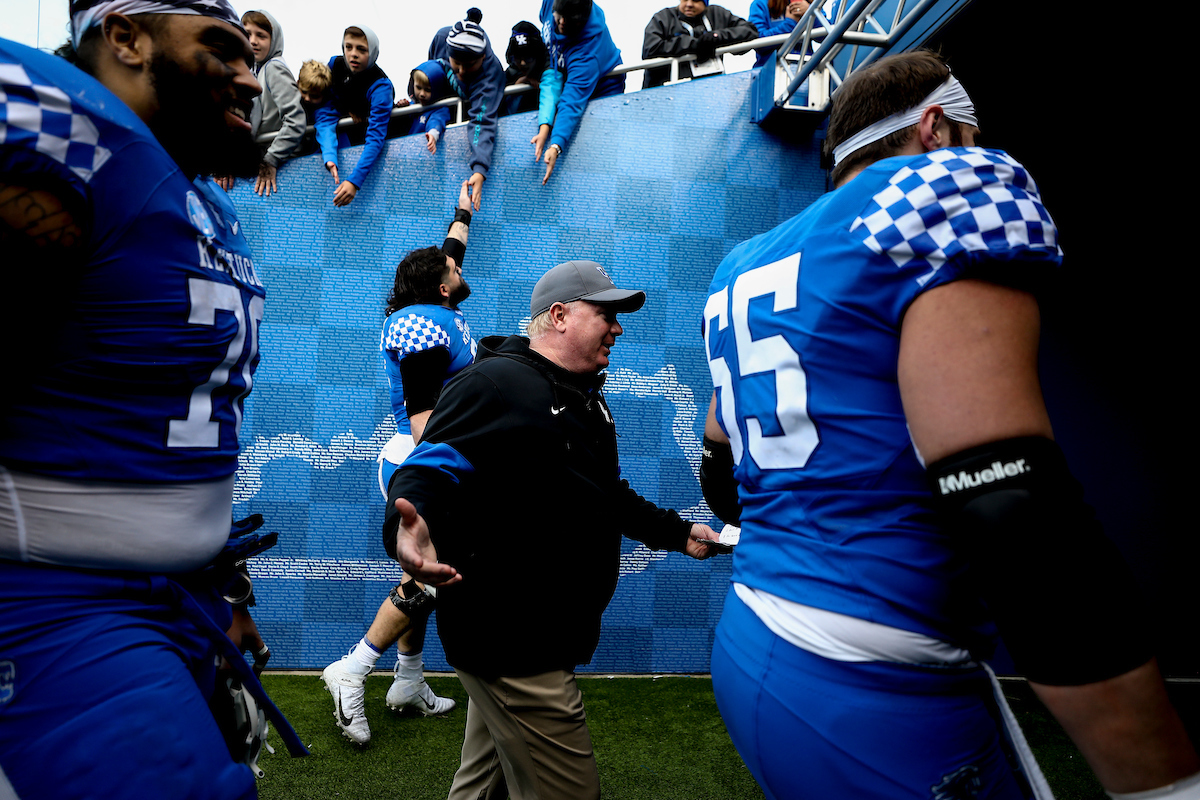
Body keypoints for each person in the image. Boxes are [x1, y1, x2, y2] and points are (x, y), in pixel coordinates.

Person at [700, 50, 1200, 799]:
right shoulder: (938, 191)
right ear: (936, 127)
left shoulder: (743, 261)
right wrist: (1162, 784)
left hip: (754, 633)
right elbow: (1011, 508)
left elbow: (720, 470)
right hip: (870, 669)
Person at [0, 3, 306, 798]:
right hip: (56, 603)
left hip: (179, 598)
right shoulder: (67, 138)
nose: (249, 75)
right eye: (219, 47)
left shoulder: (201, 199)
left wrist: (222, 588)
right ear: (126, 37)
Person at [387, 260, 721, 800]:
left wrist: (677, 533)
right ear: (560, 315)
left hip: (529, 636)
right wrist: (411, 525)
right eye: (606, 314)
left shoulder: (585, 396)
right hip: (514, 641)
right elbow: (426, 469)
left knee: (481, 785)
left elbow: (603, 492)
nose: (618, 327)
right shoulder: (494, 382)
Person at [320, 180, 477, 746]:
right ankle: (355, 667)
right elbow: (422, 419)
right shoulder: (421, 319)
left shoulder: (439, 302)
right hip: (424, 458)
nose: (458, 267)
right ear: (440, 286)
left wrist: (464, 205)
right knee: (428, 576)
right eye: (450, 269)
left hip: (436, 458)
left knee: (423, 576)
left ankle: (407, 683)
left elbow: (452, 250)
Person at [533, 0, 625, 186]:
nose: (562, 23)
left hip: (603, 89)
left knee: (592, 151)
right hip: (564, 72)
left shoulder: (588, 54)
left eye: (572, 21)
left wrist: (556, 145)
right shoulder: (550, 4)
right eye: (559, 17)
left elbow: (571, 101)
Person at [218, 10, 307, 197]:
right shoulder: (254, 72)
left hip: (279, 168)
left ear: (274, 40)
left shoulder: (274, 67)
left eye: (261, 35)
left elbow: (296, 120)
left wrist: (270, 160)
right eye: (247, 33)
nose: (253, 41)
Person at [428, 9, 506, 211]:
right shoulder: (441, 38)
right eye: (457, 64)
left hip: (474, 107)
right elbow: (429, 70)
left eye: (469, 65)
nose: (462, 72)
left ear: (482, 58)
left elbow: (482, 122)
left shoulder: (491, 75)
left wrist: (479, 169)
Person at [316, 25, 394, 208]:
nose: (353, 54)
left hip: (369, 149)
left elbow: (376, 138)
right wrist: (329, 155)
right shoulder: (335, 65)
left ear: (373, 51)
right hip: (338, 141)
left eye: (361, 49)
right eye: (348, 47)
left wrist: (354, 181)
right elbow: (325, 112)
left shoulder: (381, 86)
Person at [641, 0, 757, 89]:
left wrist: (717, 36)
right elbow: (650, 49)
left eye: (696, 0)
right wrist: (692, 45)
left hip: (708, 91)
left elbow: (750, 31)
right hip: (665, 95)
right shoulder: (663, 18)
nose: (689, 4)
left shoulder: (717, 14)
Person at [395, 60, 454, 155]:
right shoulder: (412, 106)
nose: (422, 94)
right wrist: (401, 108)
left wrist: (433, 134)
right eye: (418, 87)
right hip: (408, 154)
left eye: (427, 90)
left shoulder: (440, 109)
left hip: (427, 155)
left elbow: (437, 121)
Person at [502, 21, 547, 117]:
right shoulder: (507, 77)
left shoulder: (549, 74)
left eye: (528, 58)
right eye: (518, 58)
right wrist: (516, 89)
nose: (523, 63)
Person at [747, 0, 808, 68]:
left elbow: (821, 38)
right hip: (770, 71)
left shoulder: (810, 4)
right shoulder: (760, 4)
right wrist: (789, 24)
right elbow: (757, 42)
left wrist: (810, 12)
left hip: (808, 70)